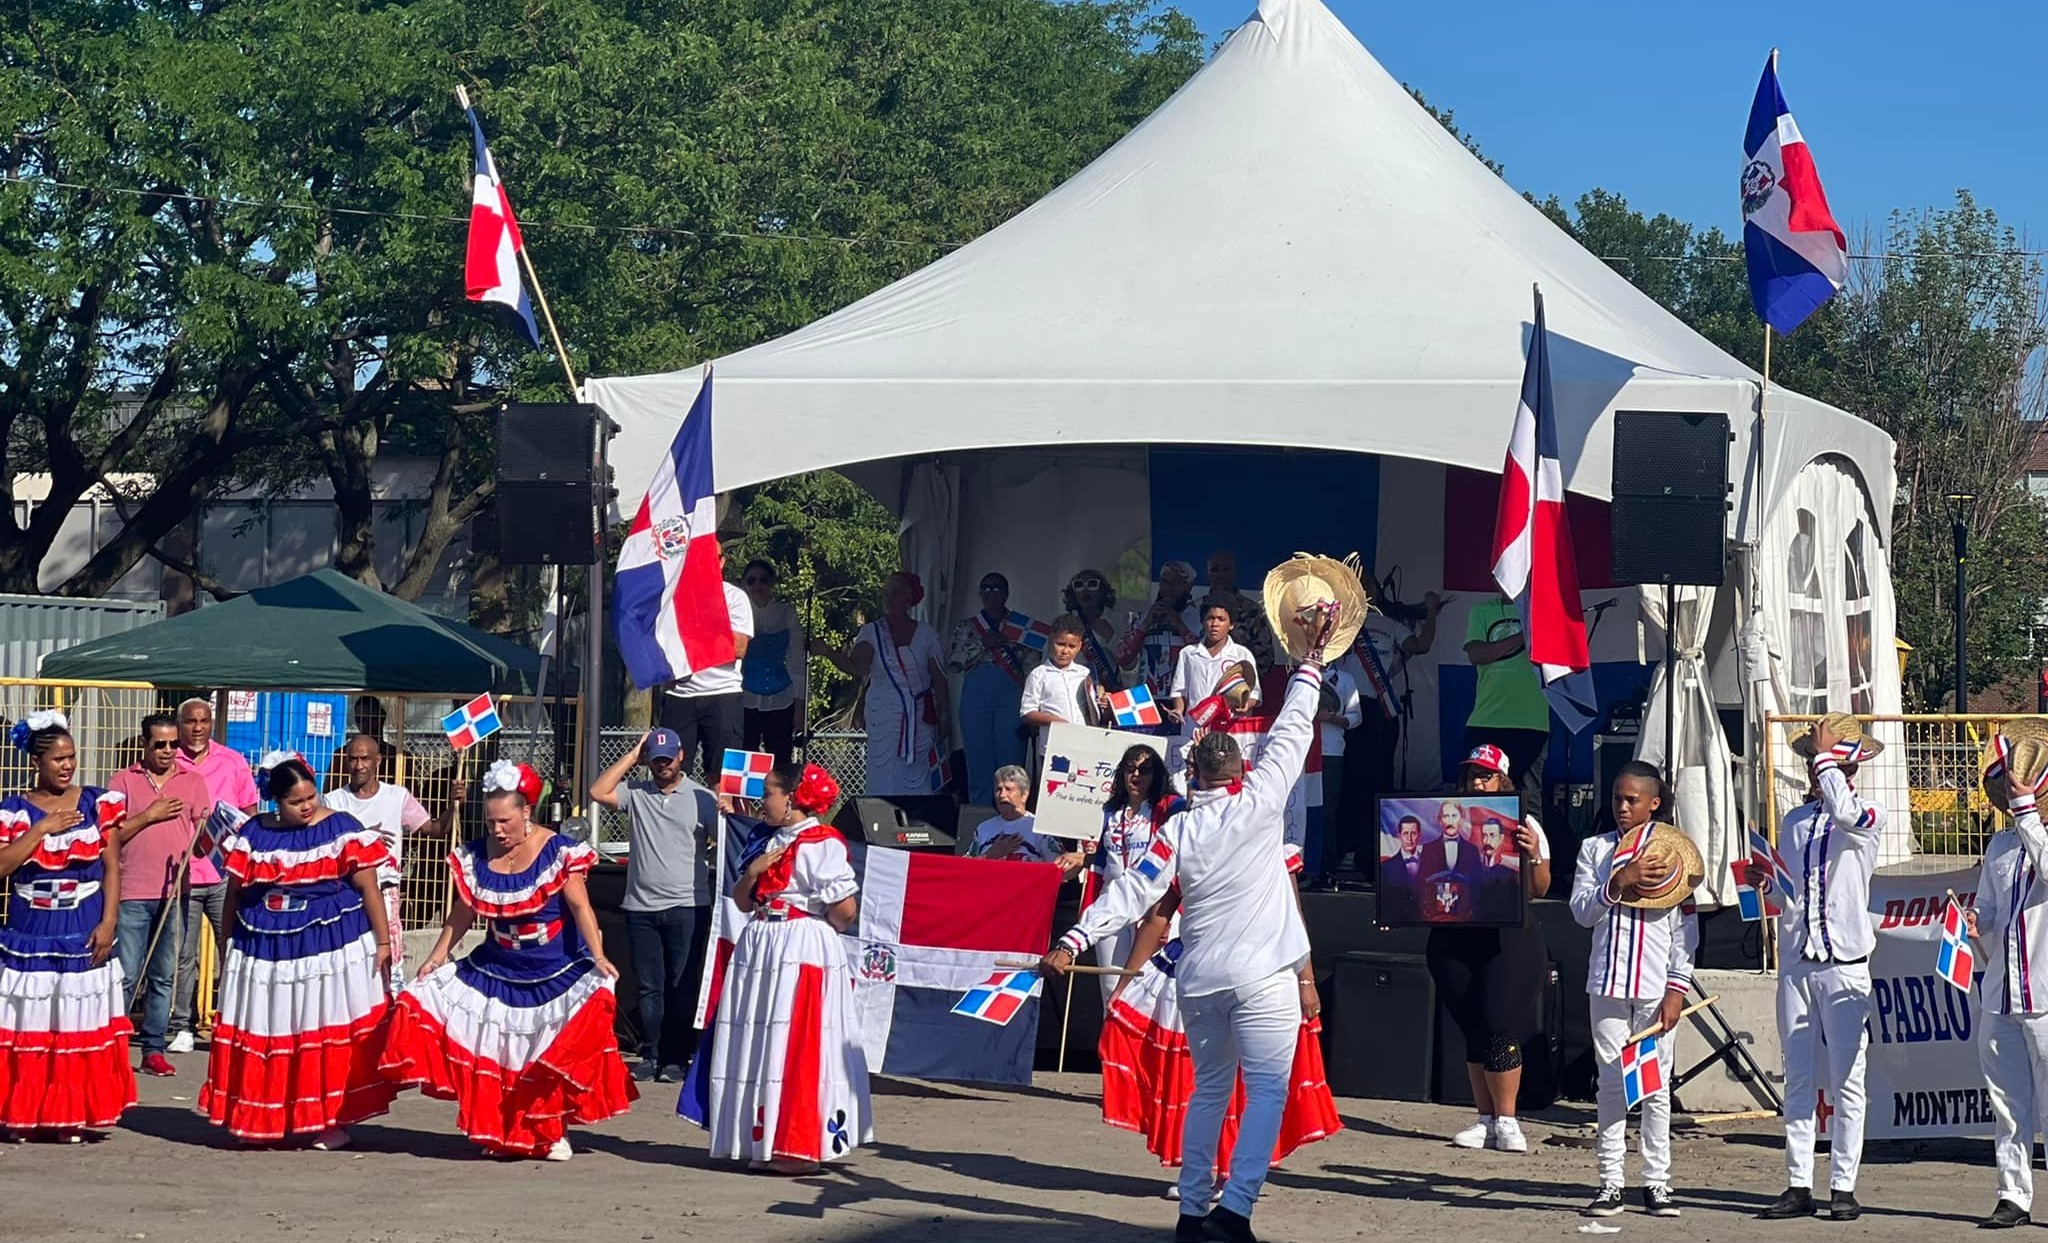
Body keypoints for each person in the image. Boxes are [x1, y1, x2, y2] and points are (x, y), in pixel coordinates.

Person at [1042, 596, 1340, 1243]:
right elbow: (1293, 723)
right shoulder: (1262, 800)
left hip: (1200, 982)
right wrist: (1313, 656)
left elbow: (1129, 895)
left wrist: (1072, 936)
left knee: (1208, 1093)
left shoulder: (1177, 831)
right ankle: (1234, 1210)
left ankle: (1192, 1212)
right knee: (1264, 1093)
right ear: (1236, 767)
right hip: (1261, 978)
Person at [380, 760, 634, 1161]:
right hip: (497, 966)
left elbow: (582, 908)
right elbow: (463, 913)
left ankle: (551, 1131)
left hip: (554, 969)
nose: (497, 830)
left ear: (526, 812)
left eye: (505, 821)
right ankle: (498, 1128)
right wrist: (437, 956)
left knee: (542, 1056)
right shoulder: (476, 855)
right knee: (489, 1047)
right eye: (490, 821)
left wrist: (599, 956)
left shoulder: (558, 851)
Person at [199, 752, 398, 1148]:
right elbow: (235, 895)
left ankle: (328, 1120)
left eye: (311, 797)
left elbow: (368, 888)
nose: (307, 806)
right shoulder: (253, 833)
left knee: (322, 1030)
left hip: (328, 948)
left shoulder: (341, 828)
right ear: (277, 801)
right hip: (265, 948)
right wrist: (227, 943)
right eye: (296, 801)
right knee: (272, 1028)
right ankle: (263, 1115)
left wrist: (383, 942)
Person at [686, 762, 872, 1172]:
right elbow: (742, 901)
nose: (762, 800)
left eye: (769, 792)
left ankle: (796, 1142)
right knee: (759, 1037)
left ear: (792, 798)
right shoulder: (766, 840)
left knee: (796, 1039)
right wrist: (753, 873)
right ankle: (760, 1137)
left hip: (799, 944)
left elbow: (844, 910)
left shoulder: (822, 843)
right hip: (761, 942)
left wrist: (811, 925)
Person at [1746, 714, 1887, 1223]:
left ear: (1849, 763)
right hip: (1800, 962)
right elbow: (1791, 893)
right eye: (1811, 759)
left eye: (1821, 758)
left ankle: (1844, 1185)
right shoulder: (1795, 821)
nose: (1813, 767)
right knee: (1800, 1078)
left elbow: (1847, 817)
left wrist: (1827, 758)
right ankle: (1798, 1182)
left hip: (1846, 964)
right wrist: (1766, 887)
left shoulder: (1869, 812)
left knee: (1849, 1077)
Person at [1097, 886, 1339, 1181]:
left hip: (1259, 969)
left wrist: (1306, 981)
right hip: (1196, 967)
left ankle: (1231, 1173)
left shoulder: (1272, 850)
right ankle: (1198, 1171)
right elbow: (1158, 918)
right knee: (1198, 1077)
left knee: (1247, 1077)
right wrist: (1126, 981)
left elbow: (1292, 917)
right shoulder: (1186, 845)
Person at [0, 711, 136, 1137]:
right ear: (35, 762)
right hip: (31, 928)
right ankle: (23, 1113)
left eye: (72, 756)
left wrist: (109, 921)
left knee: (74, 1024)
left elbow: (112, 866)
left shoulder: (97, 803)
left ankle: (69, 1115)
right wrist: (43, 828)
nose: (67, 765)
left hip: (83, 923)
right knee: (32, 1023)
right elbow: (3, 866)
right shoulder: (14, 810)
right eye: (58, 758)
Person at [1571, 761, 1697, 1219]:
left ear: (1654, 803)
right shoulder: (1595, 849)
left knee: (1655, 1086)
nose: (1622, 808)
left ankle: (1657, 1184)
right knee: (1610, 1084)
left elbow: (1686, 933)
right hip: (1606, 982)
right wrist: (1615, 884)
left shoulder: (1676, 855)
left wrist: (1676, 989)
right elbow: (1581, 912)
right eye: (1617, 799)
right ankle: (1610, 1182)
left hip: (1653, 987)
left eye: (1632, 800)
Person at [1429, 746, 1552, 1154]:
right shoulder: (1448, 823)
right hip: (1456, 936)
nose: (1478, 782)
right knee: (1473, 1029)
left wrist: (1533, 852)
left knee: (1500, 1026)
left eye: (1486, 775)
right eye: (1472, 776)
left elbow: (1540, 888)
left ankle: (1508, 1119)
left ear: (1504, 780)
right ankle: (1485, 1119)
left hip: (1510, 937)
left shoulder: (1524, 822)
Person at [589, 726, 718, 1084]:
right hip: (640, 906)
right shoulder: (636, 792)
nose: (662, 765)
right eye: (655, 759)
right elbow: (598, 791)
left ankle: (678, 1055)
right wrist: (633, 754)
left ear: (681, 757)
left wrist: (730, 810)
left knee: (682, 985)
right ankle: (652, 1052)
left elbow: (726, 839)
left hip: (687, 905)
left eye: (668, 758)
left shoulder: (702, 798)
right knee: (649, 985)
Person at [1965, 721, 2048, 1230]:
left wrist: (2028, 818)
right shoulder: (1999, 846)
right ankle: (2013, 1195)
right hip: (2000, 993)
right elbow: (1988, 908)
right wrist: (1974, 921)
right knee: (2008, 1105)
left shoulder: (2036, 838)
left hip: (2045, 994)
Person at [109, 712, 212, 1078]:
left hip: (174, 890)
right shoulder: (122, 781)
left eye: (174, 744)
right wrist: (150, 816)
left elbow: (207, 838)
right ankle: (113, 1047)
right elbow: (112, 835)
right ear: (144, 744)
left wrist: (203, 836)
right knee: (126, 974)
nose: (168, 751)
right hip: (132, 890)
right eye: (160, 744)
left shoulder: (193, 781)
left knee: (164, 975)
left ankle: (153, 1048)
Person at [322, 733, 464, 990]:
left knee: (389, 961)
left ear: (378, 760)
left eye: (365, 758)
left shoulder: (396, 797)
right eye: (353, 759)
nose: (359, 765)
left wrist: (454, 805)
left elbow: (433, 829)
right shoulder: (333, 802)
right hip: (345, 893)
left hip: (386, 893)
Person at [168, 695, 259, 1054]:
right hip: (183, 873)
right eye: (190, 721)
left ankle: (233, 1020)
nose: (197, 727)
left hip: (226, 874)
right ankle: (181, 1025)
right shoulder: (168, 760)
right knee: (182, 955)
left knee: (233, 949)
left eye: (204, 720)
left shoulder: (233, 761)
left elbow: (250, 813)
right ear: (180, 725)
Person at [1337, 584, 1441, 875]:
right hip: (1346, 709)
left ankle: (1371, 855)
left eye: (1370, 586)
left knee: (1377, 781)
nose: (1365, 592)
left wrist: (1432, 613)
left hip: (1380, 710)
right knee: (1346, 782)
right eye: (1359, 586)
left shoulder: (1390, 625)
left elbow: (1420, 646)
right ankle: (1344, 849)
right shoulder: (1342, 623)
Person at [813, 571, 948, 795]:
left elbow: (939, 678)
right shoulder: (872, 632)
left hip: (921, 716)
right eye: (886, 593)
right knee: (884, 769)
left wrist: (943, 716)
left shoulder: (927, 633)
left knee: (921, 774)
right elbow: (857, 667)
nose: (889, 598)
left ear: (909, 599)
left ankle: (921, 820)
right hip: (885, 714)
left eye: (895, 593)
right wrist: (827, 652)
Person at [1091, 745, 1181, 999]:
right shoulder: (1109, 810)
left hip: (1155, 907)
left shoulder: (1169, 806)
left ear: (1157, 775)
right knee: (1110, 987)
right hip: (1113, 904)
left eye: (1145, 770)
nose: (1136, 775)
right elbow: (1100, 861)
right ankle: (1110, 1037)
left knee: (1150, 989)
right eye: (1130, 769)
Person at [946, 572, 1037, 804]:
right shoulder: (968, 626)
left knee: (1011, 762)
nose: (990, 594)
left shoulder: (1021, 625)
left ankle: (1014, 812)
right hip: (976, 696)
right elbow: (954, 663)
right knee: (978, 760)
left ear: (1006, 593)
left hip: (1010, 694)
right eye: (985, 589)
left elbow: (1032, 667)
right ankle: (981, 817)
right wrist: (981, 646)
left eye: (996, 589)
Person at [660, 559, 754, 778]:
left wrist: (693, 629)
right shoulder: (672, 596)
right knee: (671, 771)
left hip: (722, 693)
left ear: (722, 562)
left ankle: (723, 814)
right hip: (680, 694)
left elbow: (738, 647)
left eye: (711, 555)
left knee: (723, 776)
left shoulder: (734, 597)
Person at [1462, 594, 1551, 788]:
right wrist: (1523, 635)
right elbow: (1477, 654)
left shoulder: (1544, 609)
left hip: (1531, 721)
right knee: (1477, 791)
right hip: (1486, 719)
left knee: (1528, 799)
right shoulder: (1482, 610)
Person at [1166, 604, 1260, 778]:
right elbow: (1179, 691)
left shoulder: (1242, 654)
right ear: (1203, 622)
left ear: (1231, 625)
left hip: (1229, 729)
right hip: (1194, 729)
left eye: (1221, 619)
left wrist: (1245, 706)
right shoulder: (1188, 653)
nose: (1215, 624)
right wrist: (1178, 710)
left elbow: (1254, 694)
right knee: (1192, 777)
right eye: (1210, 618)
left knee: (1226, 778)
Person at [738, 559, 807, 767]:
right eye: (751, 581)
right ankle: (741, 801)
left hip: (781, 697)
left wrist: (800, 704)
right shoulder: (738, 612)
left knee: (780, 760)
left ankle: (778, 800)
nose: (757, 586)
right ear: (744, 584)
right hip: (744, 696)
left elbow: (797, 661)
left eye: (763, 580)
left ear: (772, 583)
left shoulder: (786, 613)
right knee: (743, 760)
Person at [1302, 660, 1361, 889]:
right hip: (1303, 751)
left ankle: (1325, 866)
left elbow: (1356, 717)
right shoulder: (1300, 676)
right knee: (1302, 808)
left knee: (1326, 810)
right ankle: (1301, 865)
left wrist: (1333, 718)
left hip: (1331, 751)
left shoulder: (1345, 679)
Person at [1019, 615, 1106, 759]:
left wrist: (1103, 702)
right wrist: (1056, 721)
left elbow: (1093, 706)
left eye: (1071, 646)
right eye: (1060, 644)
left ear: (1079, 647)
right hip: (1053, 746)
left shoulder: (1084, 673)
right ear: (1051, 641)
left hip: (1085, 744)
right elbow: (1027, 712)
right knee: (1056, 781)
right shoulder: (1039, 674)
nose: (1065, 651)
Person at [969, 766, 1085, 872]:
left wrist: (1085, 859)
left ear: (1024, 795)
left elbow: (1062, 869)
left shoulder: (1040, 828)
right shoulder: (983, 829)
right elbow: (964, 869)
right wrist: (990, 855)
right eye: (998, 789)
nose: (1002, 795)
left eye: (1009, 789)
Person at [1118, 560, 1200, 703]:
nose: (1169, 587)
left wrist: (1179, 624)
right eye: (1164, 581)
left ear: (1189, 587)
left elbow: (1204, 656)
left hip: (1184, 700)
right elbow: (1123, 659)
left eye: (1176, 582)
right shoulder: (1141, 616)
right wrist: (1145, 625)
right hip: (1146, 699)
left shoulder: (1199, 617)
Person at [1200, 550, 1276, 669]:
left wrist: (1242, 679)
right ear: (1208, 573)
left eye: (1226, 569)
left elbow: (1265, 656)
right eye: (1215, 569)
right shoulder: (1196, 607)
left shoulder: (1251, 610)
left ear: (1234, 572)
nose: (1220, 575)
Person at [1063, 567, 1128, 691]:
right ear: (1073, 593)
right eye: (1079, 585)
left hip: (1109, 692)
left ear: (1102, 591)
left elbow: (1131, 665)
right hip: (1072, 689)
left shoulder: (1120, 619)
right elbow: (1049, 658)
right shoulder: (1064, 623)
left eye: (1092, 584)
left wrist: (1110, 635)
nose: (1085, 590)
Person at [1419, 798, 1483, 887]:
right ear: (1440, 821)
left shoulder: (1472, 850)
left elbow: (1477, 883)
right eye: (1446, 816)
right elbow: (1422, 883)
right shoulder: (1428, 849)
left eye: (1454, 816)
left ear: (1461, 819)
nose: (1450, 821)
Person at [1377, 815, 1426, 924]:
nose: (1409, 838)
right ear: (1399, 836)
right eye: (1405, 833)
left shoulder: (1432, 865)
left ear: (1419, 835)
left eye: (1413, 833)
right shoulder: (1385, 868)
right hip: (1397, 924)